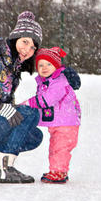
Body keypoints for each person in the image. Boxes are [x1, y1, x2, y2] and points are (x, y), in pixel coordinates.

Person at [0, 11, 81, 183]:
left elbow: (46, 67)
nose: (28, 49)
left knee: (33, 136)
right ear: (16, 37)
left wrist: (62, 74)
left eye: (33, 47)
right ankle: (3, 168)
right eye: (25, 42)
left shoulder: (14, 67)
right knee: (29, 113)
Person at [21, 47, 81, 184]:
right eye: (41, 65)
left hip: (67, 122)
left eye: (49, 64)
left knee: (60, 147)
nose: (44, 68)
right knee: (55, 146)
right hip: (60, 122)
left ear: (56, 66)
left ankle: (58, 172)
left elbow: (47, 100)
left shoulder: (59, 81)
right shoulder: (47, 81)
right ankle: (57, 170)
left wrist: (28, 103)